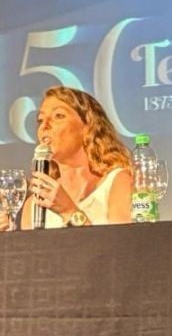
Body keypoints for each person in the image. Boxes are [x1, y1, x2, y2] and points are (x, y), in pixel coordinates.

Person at [11, 86, 133, 229]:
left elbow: (124, 242)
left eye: (58, 116)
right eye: (40, 120)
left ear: (88, 125)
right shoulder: (34, 203)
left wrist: (69, 212)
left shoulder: (117, 182)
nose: (45, 126)